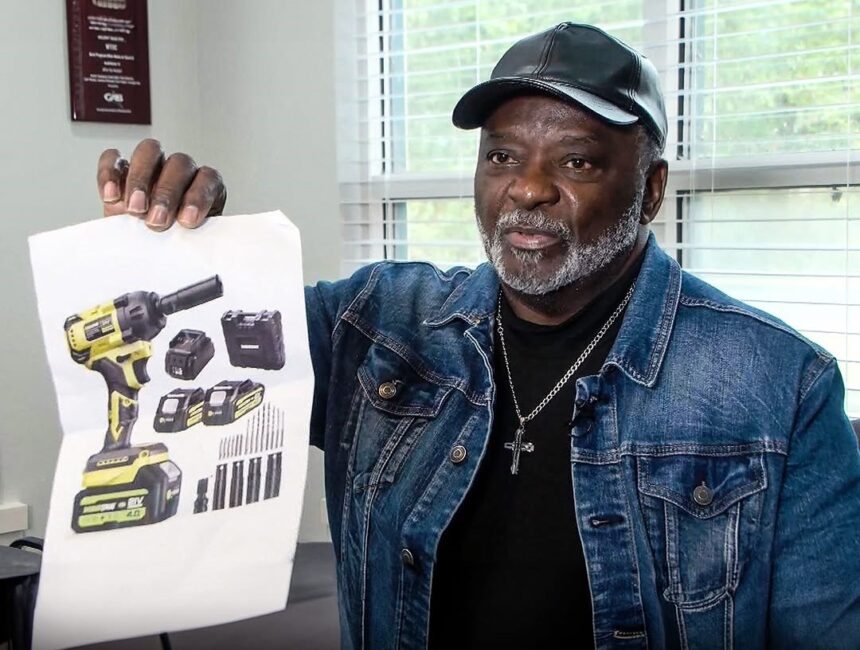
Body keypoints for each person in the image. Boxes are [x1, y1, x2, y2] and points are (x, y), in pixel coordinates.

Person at [95, 23, 860, 650]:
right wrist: (181, 241)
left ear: (650, 189)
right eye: (501, 156)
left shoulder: (777, 385)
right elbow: (193, 350)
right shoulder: (374, 324)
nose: (526, 189)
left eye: (577, 160)